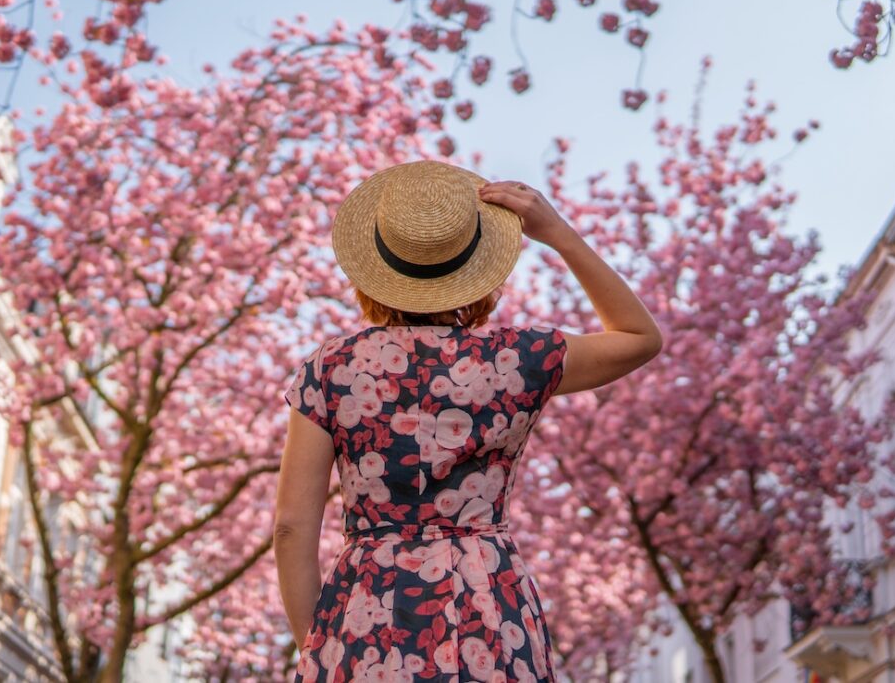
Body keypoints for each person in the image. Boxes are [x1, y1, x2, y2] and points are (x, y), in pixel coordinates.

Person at [274, 160, 663, 681]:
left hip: (366, 611)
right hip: (488, 603)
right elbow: (640, 337)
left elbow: (291, 529)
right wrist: (558, 234)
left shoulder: (331, 369)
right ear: (478, 270)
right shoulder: (517, 359)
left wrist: (319, 648)